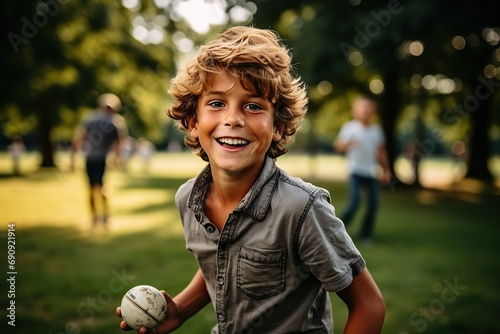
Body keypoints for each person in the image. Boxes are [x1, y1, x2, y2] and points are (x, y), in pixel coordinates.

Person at [116, 26, 385, 333]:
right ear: (193, 122)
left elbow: (369, 305)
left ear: (278, 128)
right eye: (217, 103)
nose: (233, 119)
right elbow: (223, 267)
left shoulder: (301, 209)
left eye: (254, 106)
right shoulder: (189, 200)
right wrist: (181, 310)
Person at [333, 94, 391, 243]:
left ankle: (366, 234)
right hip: (355, 170)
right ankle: (337, 230)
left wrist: (386, 170)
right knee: (355, 201)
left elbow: (381, 151)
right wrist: (349, 144)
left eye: (368, 108)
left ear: (373, 111)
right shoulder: (350, 128)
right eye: (362, 107)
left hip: (371, 171)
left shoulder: (376, 130)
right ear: (356, 110)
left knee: (374, 203)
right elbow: (338, 147)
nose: (365, 111)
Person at [70, 93, 128, 228]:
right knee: (100, 187)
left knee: (92, 188)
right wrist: (117, 159)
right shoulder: (115, 121)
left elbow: (79, 138)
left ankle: (96, 218)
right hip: (99, 158)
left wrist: (73, 157)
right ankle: (104, 217)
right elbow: (120, 142)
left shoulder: (90, 118)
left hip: (90, 158)